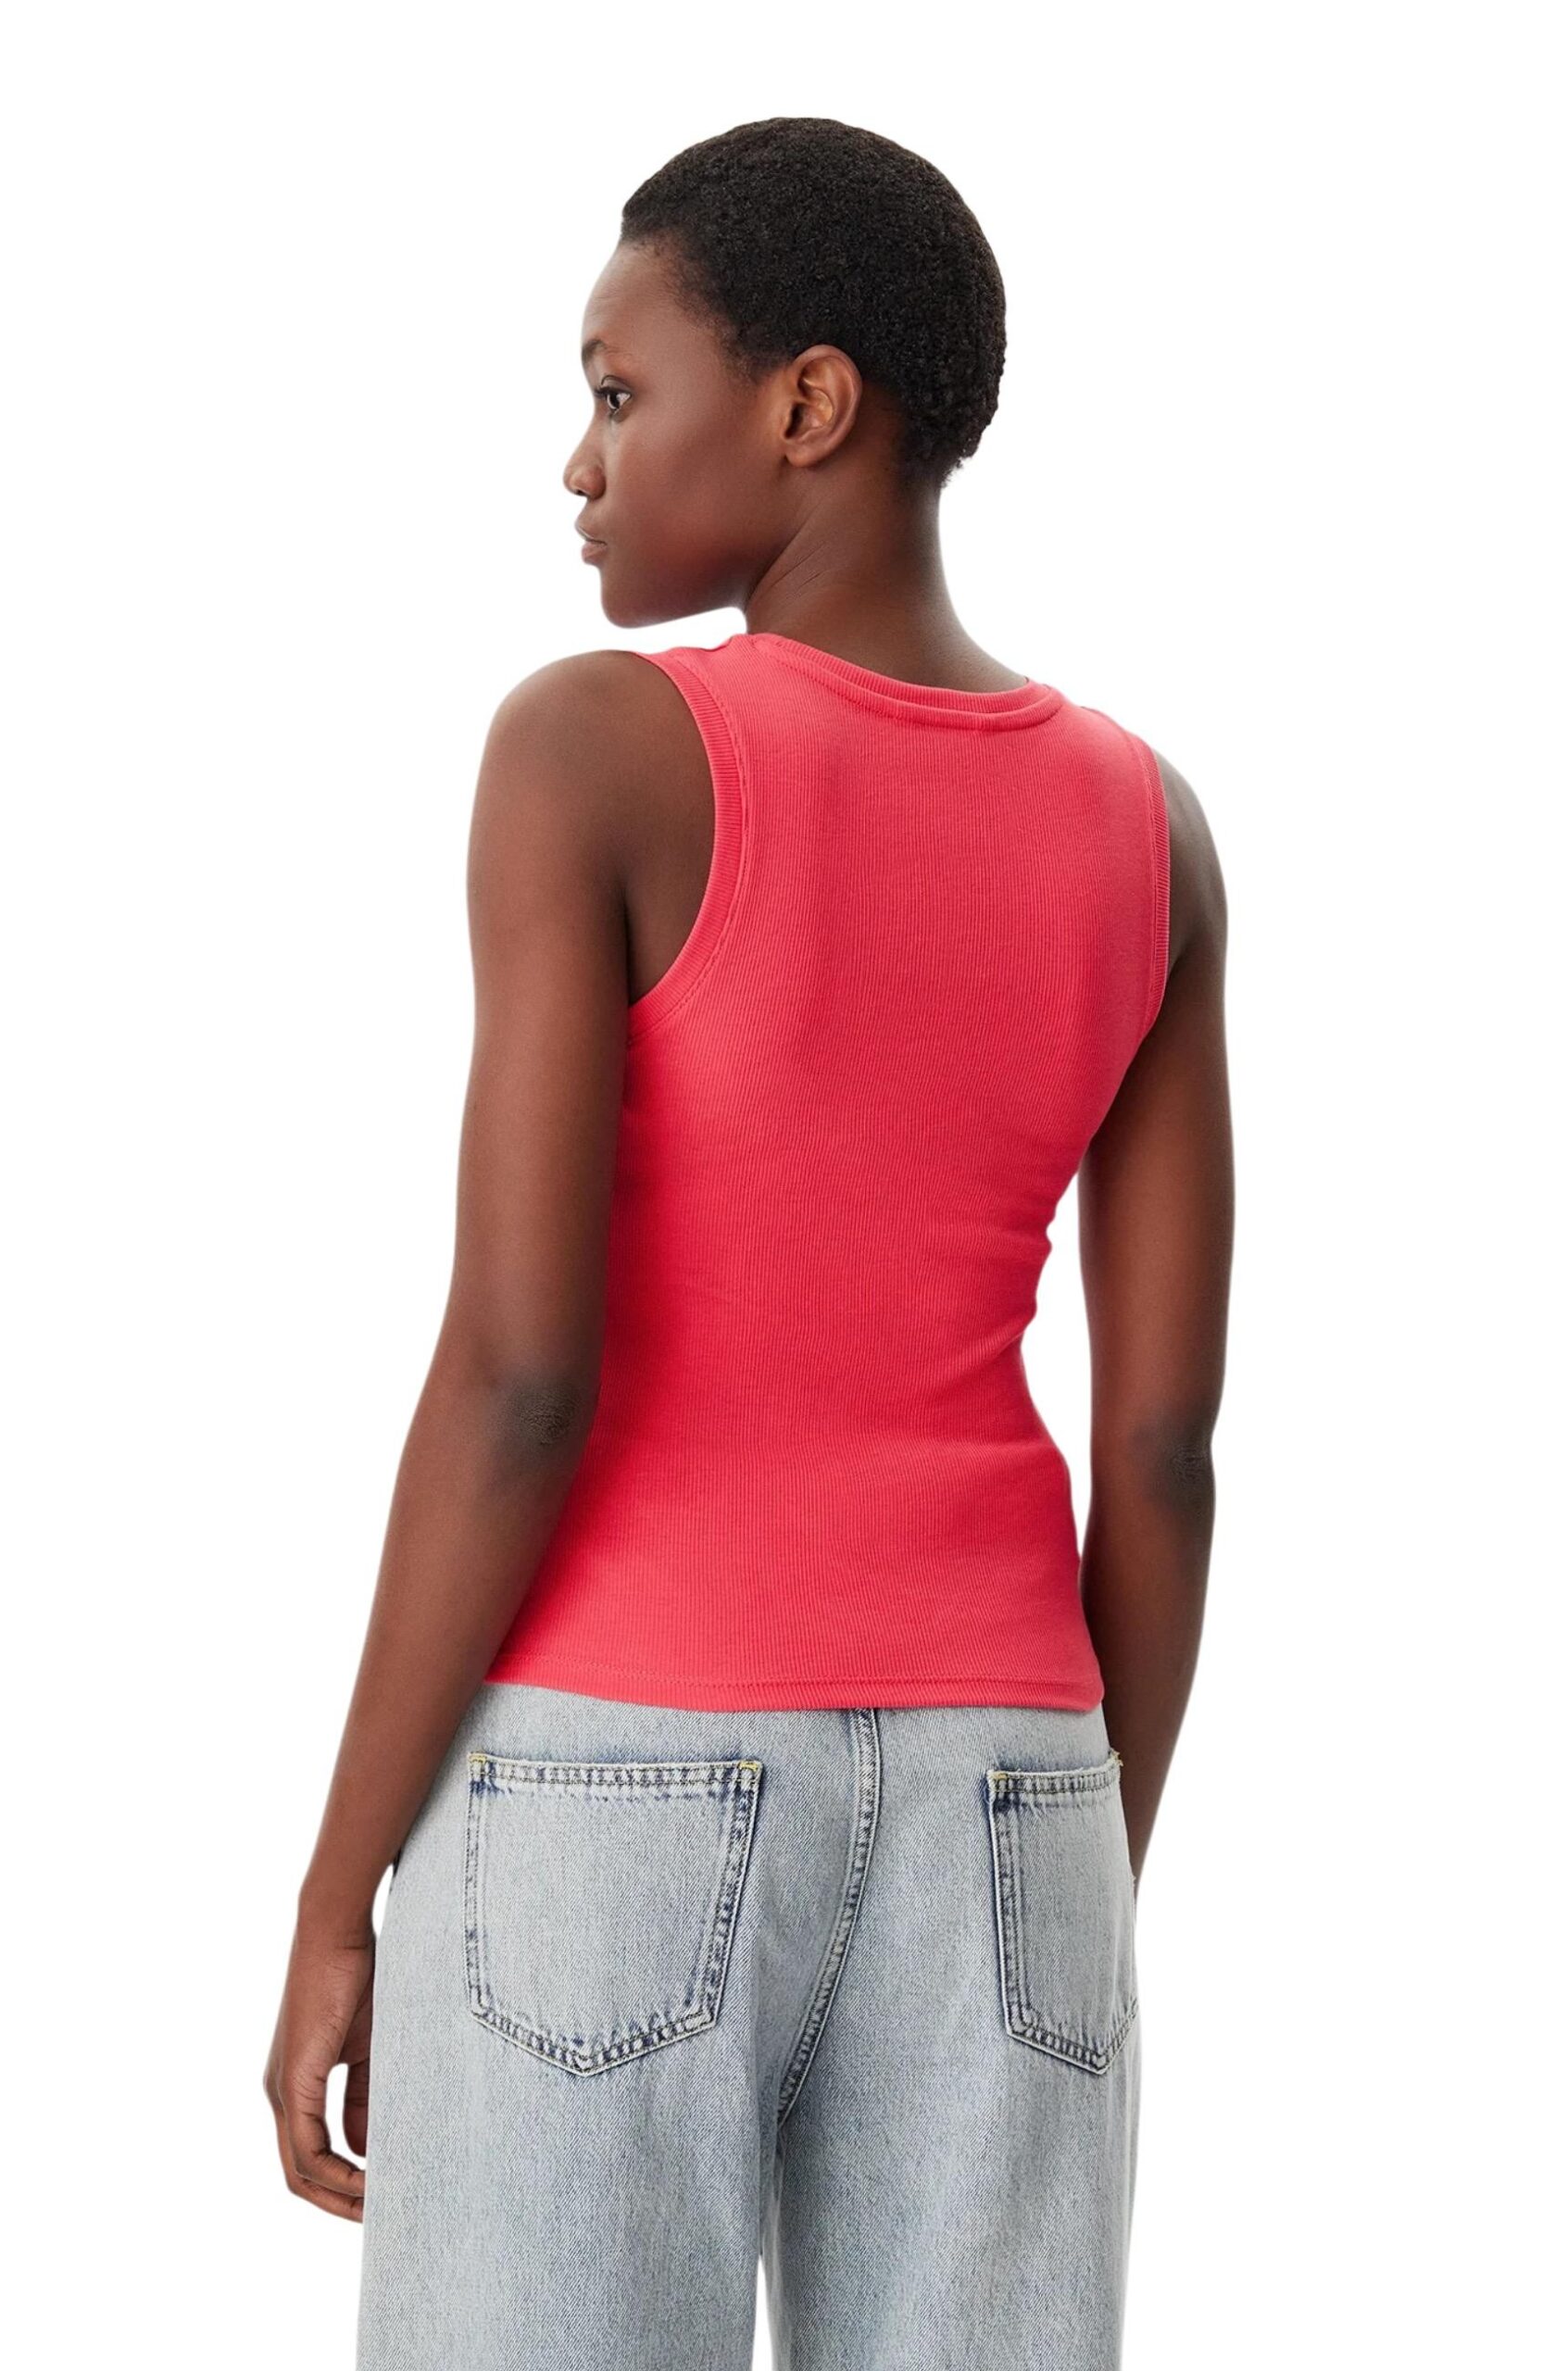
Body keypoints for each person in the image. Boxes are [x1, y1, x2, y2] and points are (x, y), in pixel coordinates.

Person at [264, 115, 1233, 2371]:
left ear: (808, 404)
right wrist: (1065, 1852)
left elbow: (520, 1376)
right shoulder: (1149, 825)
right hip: (1020, 1765)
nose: (579, 462)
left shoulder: (596, 750)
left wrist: (334, 1888)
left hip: (610, 1764)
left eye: (620, 391)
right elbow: (1163, 1449)